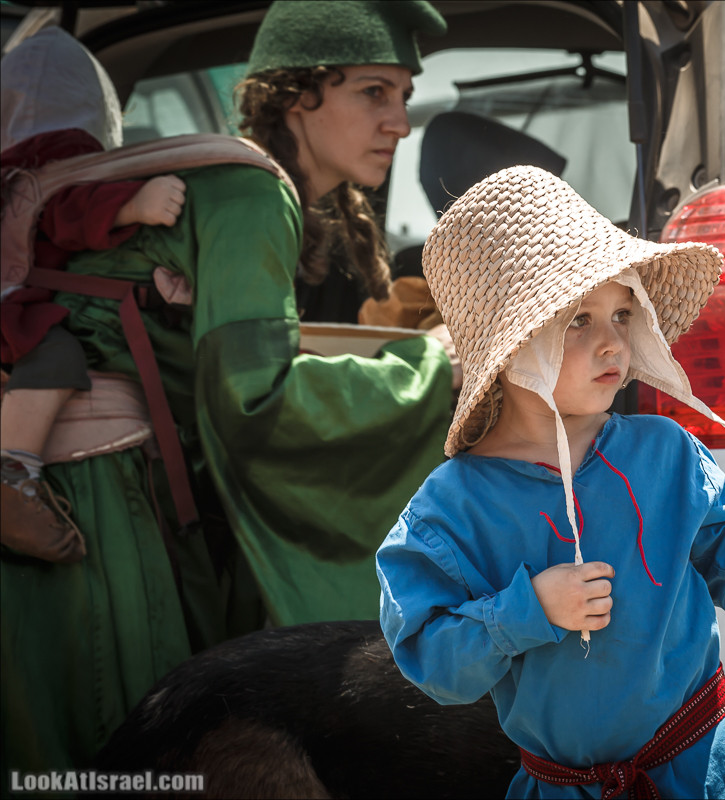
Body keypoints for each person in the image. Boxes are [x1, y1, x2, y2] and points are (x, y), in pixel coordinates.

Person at [1, 0, 455, 777]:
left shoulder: (239, 192)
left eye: (406, 97)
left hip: (77, 489)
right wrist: (442, 367)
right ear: (295, 96)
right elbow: (254, 405)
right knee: (125, 756)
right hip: (98, 507)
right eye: (373, 93)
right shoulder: (250, 197)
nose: (401, 124)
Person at [377, 165, 725, 799]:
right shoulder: (450, 510)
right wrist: (529, 609)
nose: (614, 343)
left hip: (706, 774)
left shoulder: (663, 452)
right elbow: (433, 662)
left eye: (621, 313)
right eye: (578, 320)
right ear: (511, 349)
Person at [1, 27, 188, 565]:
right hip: (18, 311)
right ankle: (15, 469)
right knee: (56, 355)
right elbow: (72, 211)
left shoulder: (13, 172)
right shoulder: (51, 171)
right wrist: (133, 204)